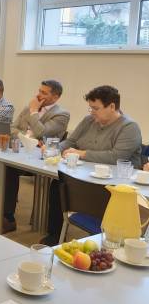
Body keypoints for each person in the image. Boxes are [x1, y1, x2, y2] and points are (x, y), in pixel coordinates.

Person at [40, 85, 142, 245]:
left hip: (114, 185)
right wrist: (54, 149)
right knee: (58, 185)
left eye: (96, 108)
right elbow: (71, 142)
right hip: (86, 176)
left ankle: (105, 239)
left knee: (64, 186)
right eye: (90, 108)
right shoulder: (89, 121)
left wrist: (82, 153)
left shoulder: (129, 127)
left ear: (112, 107)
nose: (92, 112)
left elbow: (116, 157)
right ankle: (54, 235)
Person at [3, 80, 70, 233]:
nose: (39, 95)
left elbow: (42, 132)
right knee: (6, 167)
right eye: (39, 91)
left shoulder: (61, 114)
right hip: (21, 151)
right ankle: (7, 217)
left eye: (44, 93)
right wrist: (25, 137)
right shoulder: (29, 107)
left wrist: (34, 112)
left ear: (56, 97)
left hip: (42, 158)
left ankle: (42, 223)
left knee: (10, 168)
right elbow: (12, 128)